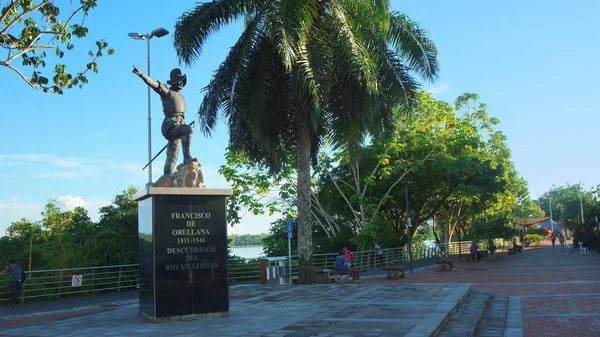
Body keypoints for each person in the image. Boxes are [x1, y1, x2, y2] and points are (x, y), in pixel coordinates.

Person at [133, 66, 197, 176]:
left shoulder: (181, 97)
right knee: (188, 130)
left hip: (179, 125)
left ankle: (167, 176)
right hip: (170, 126)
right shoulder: (167, 92)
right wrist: (141, 75)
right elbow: (154, 84)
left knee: (172, 154)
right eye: (180, 81)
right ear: (174, 82)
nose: (181, 83)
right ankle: (187, 157)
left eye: (182, 81)